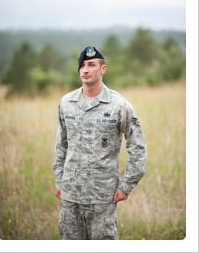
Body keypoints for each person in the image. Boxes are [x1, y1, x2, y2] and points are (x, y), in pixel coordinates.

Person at [53, 46, 148, 240]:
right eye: (82, 66)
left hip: (102, 199)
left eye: (91, 65)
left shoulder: (119, 106)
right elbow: (61, 145)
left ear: (103, 69)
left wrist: (125, 186)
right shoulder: (66, 103)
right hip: (70, 197)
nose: (85, 70)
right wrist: (59, 179)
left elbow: (138, 149)